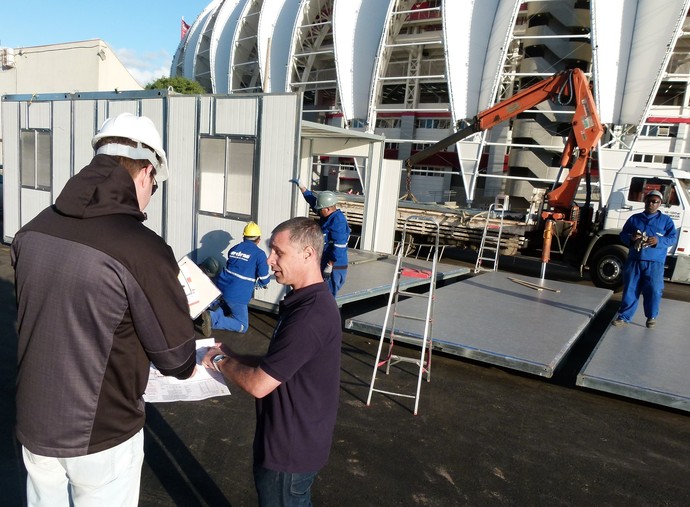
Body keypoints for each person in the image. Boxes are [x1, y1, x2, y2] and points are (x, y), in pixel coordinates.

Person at [11, 113, 197, 506]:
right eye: (155, 185)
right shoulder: (141, 250)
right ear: (146, 172)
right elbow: (177, 359)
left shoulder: (33, 230)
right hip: (101, 434)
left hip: (34, 424)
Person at [202, 217, 342, 506]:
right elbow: (279, 364)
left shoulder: (309, 316)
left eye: (279, 252)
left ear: (308, 253)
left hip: (289, 452)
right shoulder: (304, 301)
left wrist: (218, 360)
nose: (269, 259)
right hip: (295, 443)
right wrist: (234, 354)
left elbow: (259, 383)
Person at [612, 190, 678, 328]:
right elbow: (623, 234)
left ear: (660, 203)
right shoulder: (634, 219)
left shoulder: (666, 221)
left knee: (654, 290)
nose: (651, 204)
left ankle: (651, 316)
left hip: (654, 262)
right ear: (645, 201)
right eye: (649, 201)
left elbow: (672, 238)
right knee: (630, 288)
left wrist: (658, 241)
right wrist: (631, 238)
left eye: (655, 201)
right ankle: (624, 317)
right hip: (635, 260)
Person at [196, 222, 271, 336]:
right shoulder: (259, 254)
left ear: (243, 237)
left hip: (222, 287)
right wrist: (261, 283)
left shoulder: (234, 249)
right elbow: (264, 278)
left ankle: (212, 315)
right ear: (259, 240)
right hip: (238, 294)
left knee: (228, 305)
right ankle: (212, 320)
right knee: (242, 325)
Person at [289, 178, 351, 296]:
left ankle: (326, 314)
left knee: (326, 296)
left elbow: (339, 248)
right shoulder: (327, 214)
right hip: (324, 260)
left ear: (327, 208)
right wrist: (302, 187)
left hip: (334, 267)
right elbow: (313, 201)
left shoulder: (338, 222)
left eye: (320, 209)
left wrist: (329, 266)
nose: (317, 211)